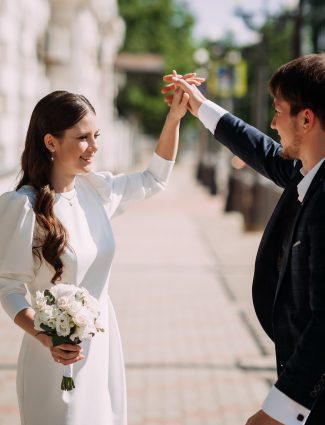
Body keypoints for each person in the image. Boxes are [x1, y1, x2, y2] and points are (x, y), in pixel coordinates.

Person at [0, 74, 201, 425]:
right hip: (52, 358)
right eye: (82, 138)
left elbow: (154, 179)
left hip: (103, 349)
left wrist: (173, 119)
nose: (93, 146)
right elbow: (8, 287)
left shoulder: (95, 190)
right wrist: (45, 336)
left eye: (96, 136)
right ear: (50, 142)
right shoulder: (23, 206)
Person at [162, 53, 325, 425]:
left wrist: (280, 410)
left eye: (278, 111)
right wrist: (201, 107)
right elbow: (264, 151)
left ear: (306, 119)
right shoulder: (310, 171)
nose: (272, 122)